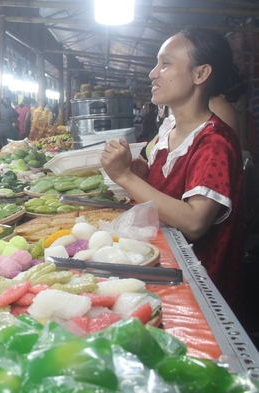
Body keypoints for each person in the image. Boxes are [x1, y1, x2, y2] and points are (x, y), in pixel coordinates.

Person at [100, 28, 247, 316]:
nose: (153, 74)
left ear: (200, 74)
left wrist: (125, 177)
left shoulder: (214, 141)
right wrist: (138, 172)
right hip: (163, 267)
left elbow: (194, 221)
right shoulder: (171, 133)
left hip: (199, 292)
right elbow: (165, 191)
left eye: (165, 64)